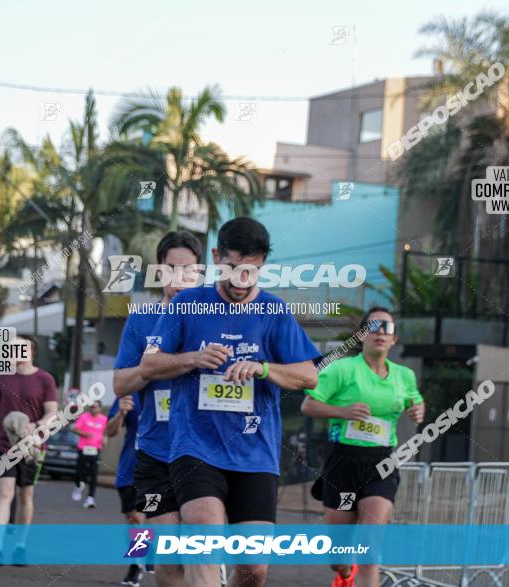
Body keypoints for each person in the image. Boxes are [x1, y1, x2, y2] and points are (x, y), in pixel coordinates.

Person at [140, 217, 321, 586]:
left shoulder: (274, 312)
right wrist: (192, 358)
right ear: (216, 256)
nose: (241, 280)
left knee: (253, 569)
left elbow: (309, 376)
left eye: (251, 271)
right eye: (233, 268)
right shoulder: (188, 304)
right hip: (196, 447)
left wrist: (262, 368)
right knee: (204, 535)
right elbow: (149, 363)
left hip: (255, 454)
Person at [301, 307, 425, 587]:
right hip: (344, 461)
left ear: (394, 340)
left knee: (370, 547)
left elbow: (415, 400)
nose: (381, 332)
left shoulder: (404, 375)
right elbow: (307, 405)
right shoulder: (342, 369)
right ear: (361, 335)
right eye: (374, 326)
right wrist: (343, 411)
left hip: (381, 463)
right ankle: (345, 574)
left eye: (388, 328)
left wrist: (418, 410)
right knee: (338, 557)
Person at [114, 230, 203, 587]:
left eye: (188, 270)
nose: (178, 278)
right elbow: (121, 384)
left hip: (206, 451)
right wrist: (167, 365)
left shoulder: (217, 319)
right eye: (170, 269)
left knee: (198, 552)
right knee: (168, 554)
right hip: (155, 450)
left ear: (201, 273)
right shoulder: (141, 319)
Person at [0, 334, 58, 566]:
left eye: (19, 347)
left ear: (31, 351)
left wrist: (36, 425)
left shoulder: (45, 379)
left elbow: (52, 413)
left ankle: (20, 547)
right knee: (4, 493)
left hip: (32, 446)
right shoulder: (2, 377)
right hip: (3, 445)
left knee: (25, 495)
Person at [107, 394, 144, 586]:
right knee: (135, 519)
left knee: (148, 517)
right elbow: (111, 431)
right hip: (131, 468)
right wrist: (120, 413)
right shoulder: (130, 392)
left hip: (161, 470)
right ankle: (137, 562)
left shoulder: (174, 385)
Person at [71, 399, 107, 509]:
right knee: (79, 472)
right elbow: (74, 429)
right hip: (83, 448)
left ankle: (90, 498)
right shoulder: (84, 417)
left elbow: (106, 433)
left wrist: (105, 439)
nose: (93, 409)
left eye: (95, 407)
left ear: (100, 408)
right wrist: (85, 434)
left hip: (96, 449)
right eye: (91, 406)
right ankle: (78, 486)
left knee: (93, 474)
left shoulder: (104, 419)